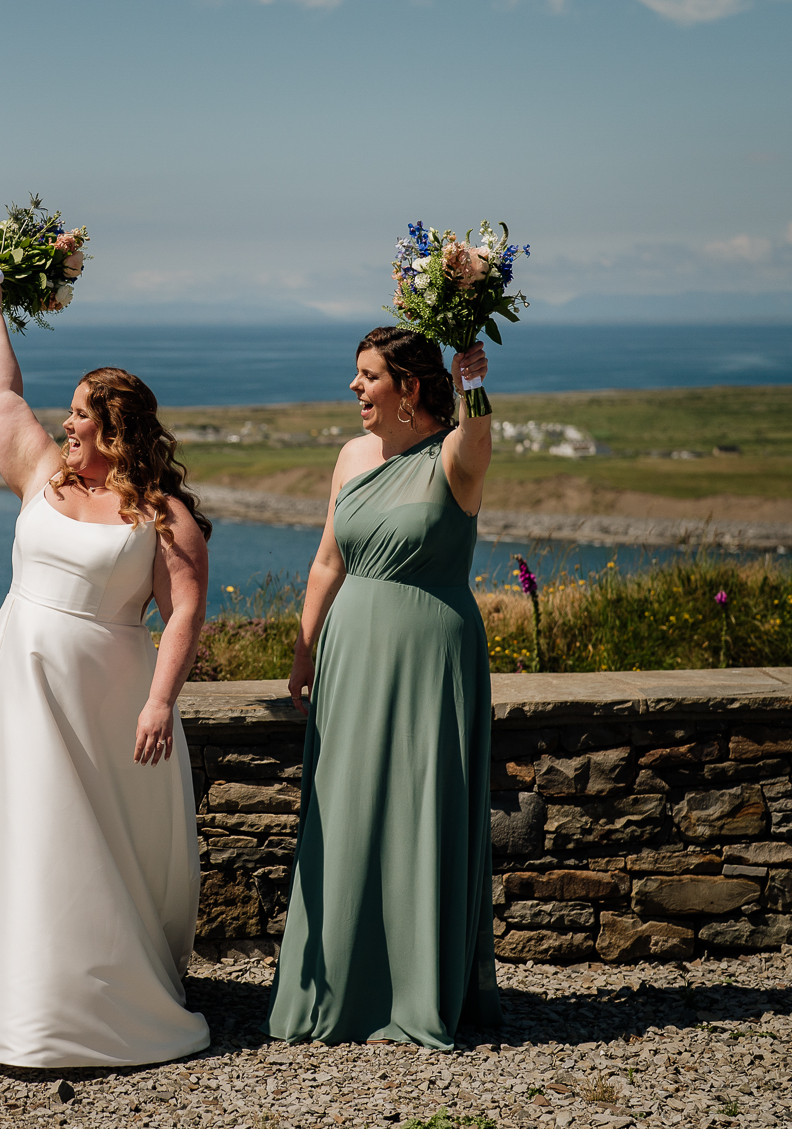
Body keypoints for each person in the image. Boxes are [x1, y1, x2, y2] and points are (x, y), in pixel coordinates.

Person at [0, 270, 213, 1067]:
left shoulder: (163, 515)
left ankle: (97, 1000)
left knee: (90, 845)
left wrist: (160, 701)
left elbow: (185, 612)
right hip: (16, 684)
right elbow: (3, 395)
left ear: (115, 427)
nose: (67, 421)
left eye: (81, 412)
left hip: (107, 698)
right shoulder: (41, 473)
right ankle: (15, 1002)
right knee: (25, 831)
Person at [264, 324, 503, 1050]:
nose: (354, 388)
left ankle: (414, 991)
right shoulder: (351, 455)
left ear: (409, 388)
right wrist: (303, 651)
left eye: (368, 376)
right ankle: (332, 987)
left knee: (420, 810)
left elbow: (480, 436)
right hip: (351, 651)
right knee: (346, 807)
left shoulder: (453, 457)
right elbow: (327, 563)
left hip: (431, 656)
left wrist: (473, 382)